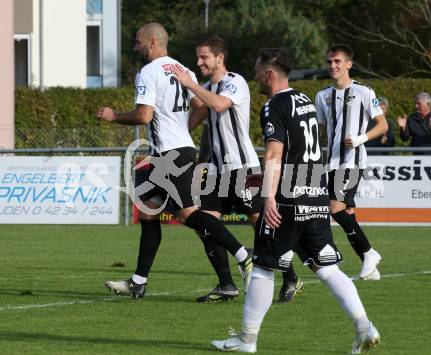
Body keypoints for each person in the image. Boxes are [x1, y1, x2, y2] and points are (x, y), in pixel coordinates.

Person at [211, 48, 380, 354]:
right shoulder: (304, 99)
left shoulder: (273, 104)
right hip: (316, 194)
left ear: (270, 74)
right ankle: (364, 326)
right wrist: (265, 178)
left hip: (288, 198)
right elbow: (298, 152)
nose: (255, 77)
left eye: (258, 71)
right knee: (327, 270)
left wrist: (269, 197)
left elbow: (275, 153)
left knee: (262, 268)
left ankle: (247, 340)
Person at [97, 23, 252, 299]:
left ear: (152, 42)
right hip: (173, 151)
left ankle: (243, 255)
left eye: (138, 42)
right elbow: (201, 108)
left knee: (189, 214)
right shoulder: (183, 70)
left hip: (169, 153)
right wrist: (182, 132)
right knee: (148, 212)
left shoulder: (148, 72)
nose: (136, 48)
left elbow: (144, 115)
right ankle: (138, 280)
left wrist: (114, 116)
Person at [172, 36, 303, 303]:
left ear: (220, 57)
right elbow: (198, 115)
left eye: (204, 57)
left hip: (244, 168)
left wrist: (190, 84)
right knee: (205, 224)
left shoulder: (235, 81)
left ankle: (291, 277)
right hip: (217, 171)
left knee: (262, 224)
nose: (199, 63)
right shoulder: (207, 87)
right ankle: (226, 284)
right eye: (197, 58)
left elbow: (219, 104)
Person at [315, 44, 388, 280]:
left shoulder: (365, 92)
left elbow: (383, 125)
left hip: (353, 162)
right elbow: (321, 133)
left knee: (333, 208)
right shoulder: (322, 95)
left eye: (337, 61)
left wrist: (360, 138)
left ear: (348, 64)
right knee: (343, 210)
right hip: (331, 163)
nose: (333, 66)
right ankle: (370, 268)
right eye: (329, 62)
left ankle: (369, 253)